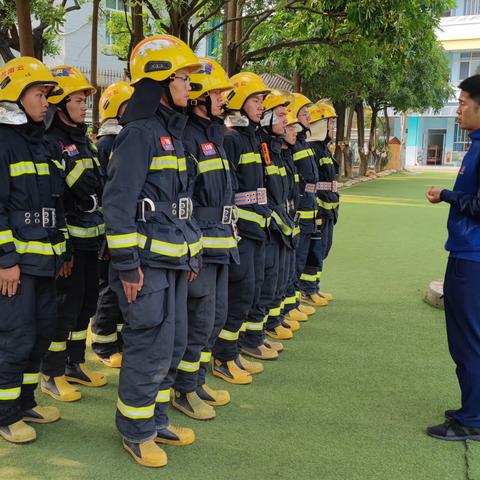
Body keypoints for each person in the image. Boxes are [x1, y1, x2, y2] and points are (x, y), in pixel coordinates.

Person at [103, 34, 203, 467]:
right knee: (149, 348)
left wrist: (191, 255)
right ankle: (136, 431)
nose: (189, 86)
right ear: (160, 82)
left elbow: (181, 204)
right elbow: (118, 205)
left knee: (173, 344)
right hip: (145, 268)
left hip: (174, 262)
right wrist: (127, 267)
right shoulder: (140, 134)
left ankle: (157, 418)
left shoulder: (171, 134)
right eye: (182, 78)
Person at [0, 57, 68, 443]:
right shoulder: (4, 141)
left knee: (41, 335)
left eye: (46, 95)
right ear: (14, 95)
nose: (47, 103)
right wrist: (6, 260)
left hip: (43, 261)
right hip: (16, 267)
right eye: (39, 94)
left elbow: (50, 205)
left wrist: (60, 253)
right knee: (14, 337)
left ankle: (23, 402)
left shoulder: (39, 143)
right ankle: (5, 413)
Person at [171, 58, 238, 420]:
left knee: (215, 316)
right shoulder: (187, 138)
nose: (223, 99)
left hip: (222, 243)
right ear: (198, 95)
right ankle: (183, 390)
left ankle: (196, 381)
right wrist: (193, 247)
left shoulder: (214, 135)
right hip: (202, 246)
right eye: (216, 93)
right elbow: (185, 198)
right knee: (197, 320)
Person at [40, 66, 107, 403]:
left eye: (84, 100)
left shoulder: (85, 140)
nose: (84, 106)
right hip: (69, 242)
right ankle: (50, 373)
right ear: (59, 103)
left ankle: (74, 363)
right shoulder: (50, 142)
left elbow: (101, 185)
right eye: (78, 100)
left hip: (91, 239)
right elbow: (53, 198)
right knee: (64, 307)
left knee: (86, 304)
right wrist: (62, 250)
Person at [426, 74, 480, 441]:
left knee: (467, 340)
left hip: (472, 256)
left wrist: (446, 195)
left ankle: (472, 420)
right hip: (467, 252)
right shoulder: (476, 144)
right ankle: (472, 409)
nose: (458, 109)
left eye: (462, 103)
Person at [211, 72, 271, 385]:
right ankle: (223, 355)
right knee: (239, 293)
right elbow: (228, 189)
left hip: (257, 228)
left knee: (251, 290)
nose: (261, 106)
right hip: (242, 231)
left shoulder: (251, 136)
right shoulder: (231, 137)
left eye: (262, 100)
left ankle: (233, 351)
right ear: (238, 102)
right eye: (256, 100)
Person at [91, 81, 134, 368]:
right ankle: (103, 342)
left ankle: (115, 339)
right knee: (110, 287)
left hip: (117, 225)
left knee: (116, 288)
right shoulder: (108, 142)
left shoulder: (124, 138)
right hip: (109, 226)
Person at [254, 89, 299, 346]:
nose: (286, 121)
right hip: (266, 228)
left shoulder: (275, 149)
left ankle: (265, 328)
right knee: (264, 282)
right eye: (281, 116)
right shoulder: (261, 146)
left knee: (276, 279)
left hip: (278, 225)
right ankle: (254, 335)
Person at [287, 94, 324, 308]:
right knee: (294, 262)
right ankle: (291, 304)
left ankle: (294, 302)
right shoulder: (295, 147)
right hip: (299, 213)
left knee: (303, 259)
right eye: (304, 113)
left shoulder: (303, 145)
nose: (308, 116)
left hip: (309, 210)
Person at [306, 102, 338, 302]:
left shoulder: (325, 149)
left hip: (329, 210)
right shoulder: (313, 149)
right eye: (330, 123)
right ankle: (307, 289)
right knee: (315, 251)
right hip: (318, 211)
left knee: (323, 248)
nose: (333, 128)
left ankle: (314, 287)